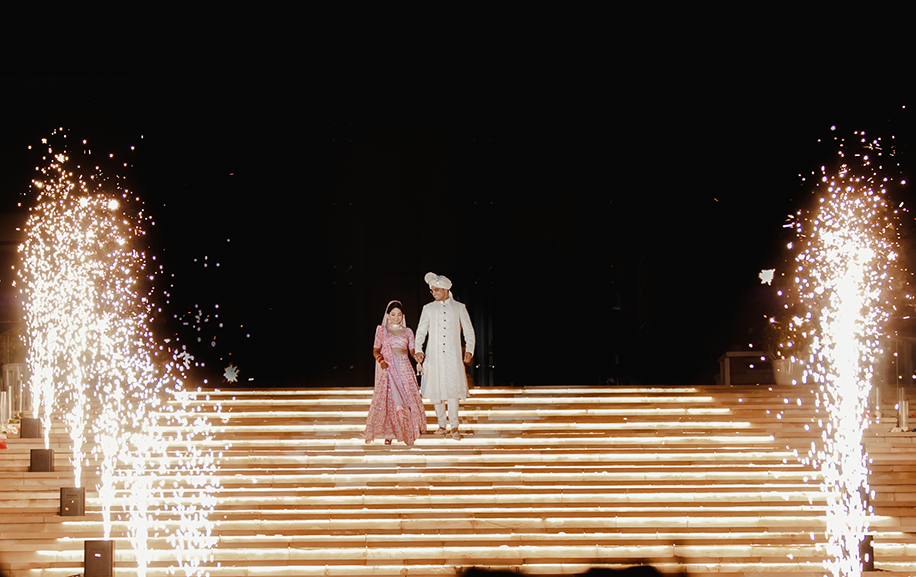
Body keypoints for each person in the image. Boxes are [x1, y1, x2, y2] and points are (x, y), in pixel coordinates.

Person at [415, 272, 475, 440]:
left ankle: (454, 426)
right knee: (435, 390)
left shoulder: (459, 307)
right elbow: (421, 330)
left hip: (452, 355)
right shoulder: (428, 308)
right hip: (433, 356)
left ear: (445, 289)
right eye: (432, 291)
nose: (433, 293)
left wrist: (469, 349)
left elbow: (469, 330)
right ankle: (442, 424)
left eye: (436, 290)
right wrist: (418, 349)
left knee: (452, 389)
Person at [364, 300, 428, 445]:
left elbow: (412, 349)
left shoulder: (408, 331)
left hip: (404, 368)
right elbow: (375, 349)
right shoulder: (382, 330)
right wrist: (381, 360)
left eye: (399, 314)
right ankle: (389, 433)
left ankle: (407, 432)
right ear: (388, 315)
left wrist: (416, 355)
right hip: (388, 368)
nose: (396, 317)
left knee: (406, 399)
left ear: (403, 316)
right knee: (391, 400)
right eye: (393, 314)